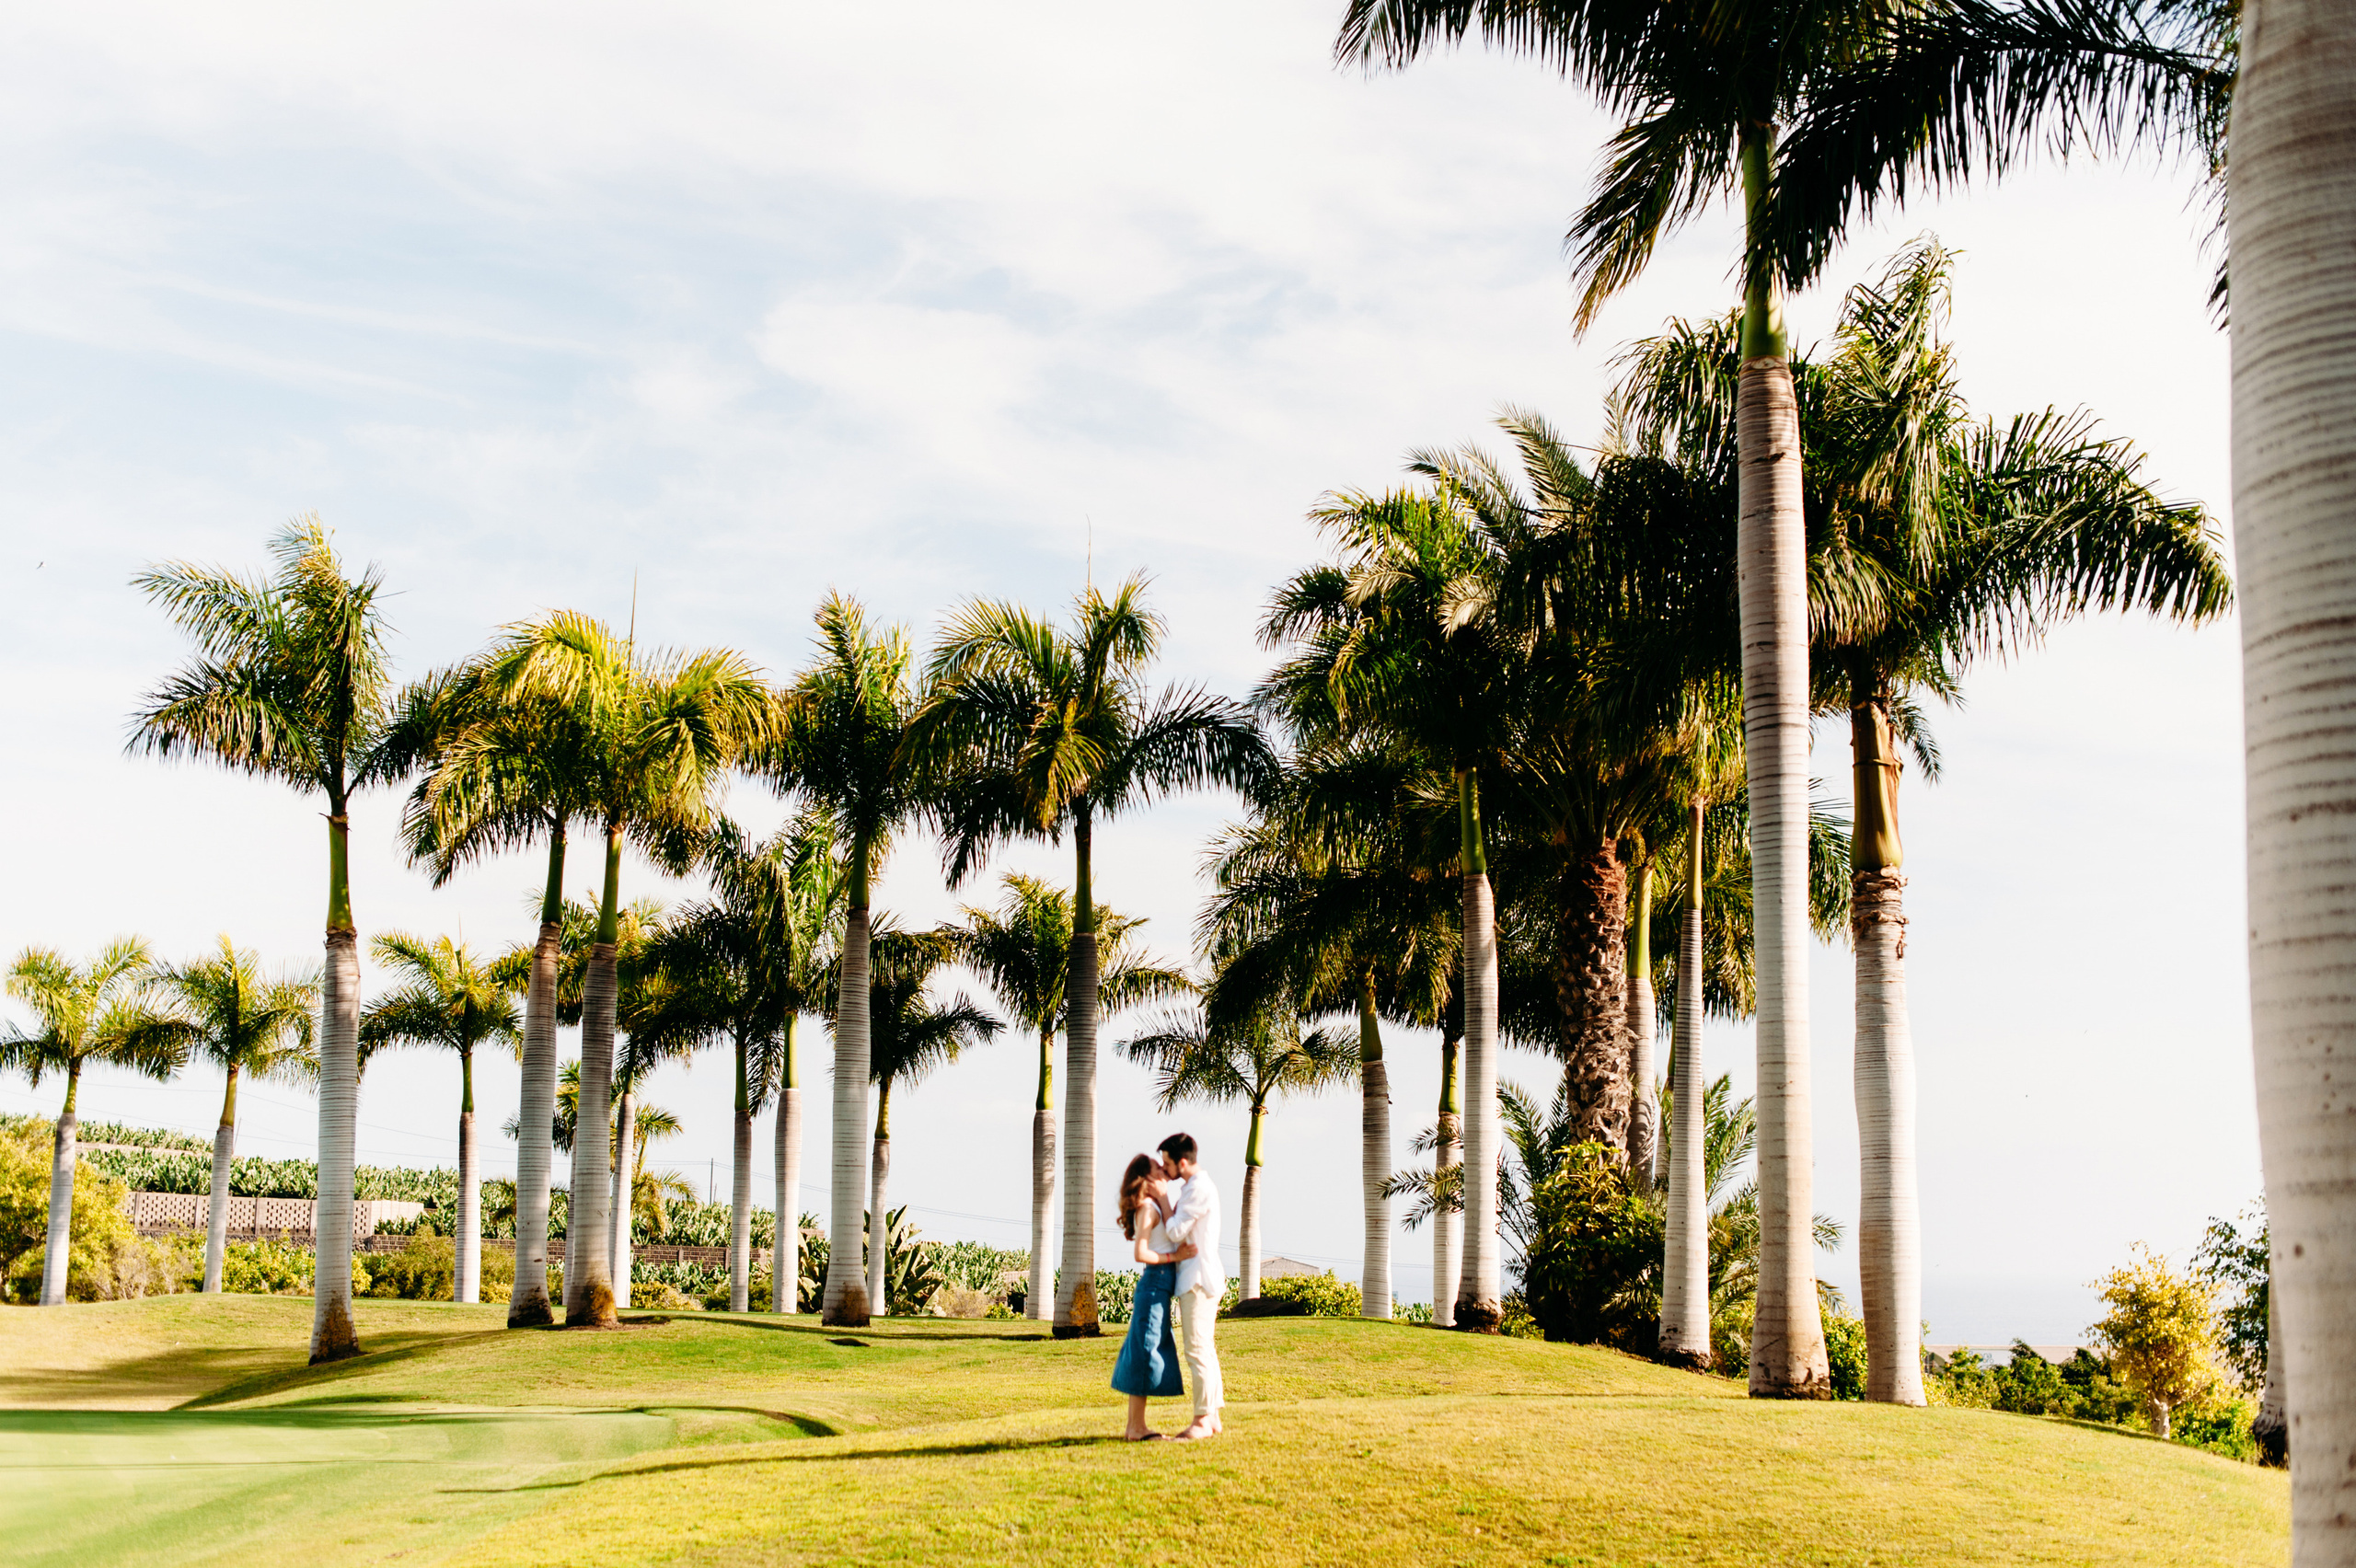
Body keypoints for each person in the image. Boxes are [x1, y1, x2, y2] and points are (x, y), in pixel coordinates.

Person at [1109, 1152, 1195, 1440]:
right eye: (1159, 1169)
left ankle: (1134, 1426)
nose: (1164, 1173)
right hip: (1154, 1284)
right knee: (1146, 1351)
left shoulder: (1154, 1205)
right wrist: (1175, 1256)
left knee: (1145, 1350)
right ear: (1146, 1178)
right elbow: (1141, 1253)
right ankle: (1136, 1428)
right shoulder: (1148, 1208)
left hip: (1159, 1287)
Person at [1156, 1131, 1225, 1439]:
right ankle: (1211, 1417)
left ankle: (1201, 1420)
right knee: (1205, 1350)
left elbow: (1175, 1231)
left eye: (1167, 1163)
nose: (1164, 1169)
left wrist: (1161, 1199)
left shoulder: (1197, 1189)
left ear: (1182, 1162)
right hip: (1200, 1276)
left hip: (1197, 1279)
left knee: (1197, 1351)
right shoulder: (1196, 1187)